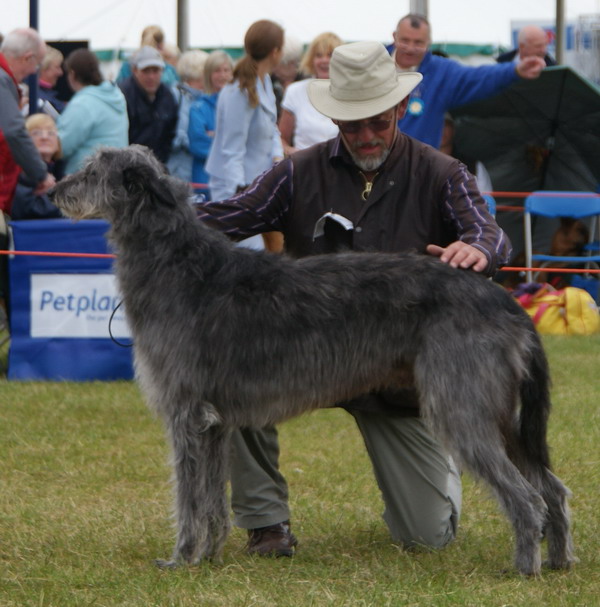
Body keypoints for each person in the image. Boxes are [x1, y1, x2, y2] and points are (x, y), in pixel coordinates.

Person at [195, 41, 511, 556]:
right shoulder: (298, 172)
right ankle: (266, 524)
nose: (365, 136)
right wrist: (152, 214)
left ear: (400, 110)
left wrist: (476, 250)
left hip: (398, 371)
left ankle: (440, 467)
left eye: (377, 122)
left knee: (426, 537)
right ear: (334, 118)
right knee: (227, 382)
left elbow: (489, 232)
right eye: (351, 124)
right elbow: (228, 217)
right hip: (305, 353)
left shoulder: (441, 173)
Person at [389, 14, 545, 148]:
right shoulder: (373, 64)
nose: (410, 48)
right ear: (394, 36)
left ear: (428, 43)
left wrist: (514, 70)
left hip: (418, 172)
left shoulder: (441, 73)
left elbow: (478, 77)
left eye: (418, 43)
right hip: (373, 168)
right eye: (405, 40)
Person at [205, 19, 285, 250]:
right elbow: (232, 151)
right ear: (275, 52)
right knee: (247, 259)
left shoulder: (265, 80)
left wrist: (278, 158)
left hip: (260, 186)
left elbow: (272, 127)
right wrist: (240, 198)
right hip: (236, 189)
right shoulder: (238, 91)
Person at [0, 28, 55, 215]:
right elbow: (14, 131)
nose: (34, 71)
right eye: (37, 64)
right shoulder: (2, 80)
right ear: (27, 58)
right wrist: (41, 175)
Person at [57, 48, 128, 174]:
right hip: (116, 174)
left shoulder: (83, 103)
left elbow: (62, 146)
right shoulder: (116, 96)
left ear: (72, 74)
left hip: (87, 181)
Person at [279, 32, 342, 156]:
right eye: (318, 55)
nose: (324, 60)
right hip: (303, 169)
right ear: (311, 60)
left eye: (330, 55)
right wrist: (294, 154)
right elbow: (281, 139)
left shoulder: (351, 92)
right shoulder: (295, 91)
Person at [119, 46, 178, 165]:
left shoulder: (167, 96)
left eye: (155, 70)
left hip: (157, 166)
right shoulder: (122, 96)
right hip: (128, 166)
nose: (151, 76)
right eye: (146, 71)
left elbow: (170, 134)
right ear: (135, 70)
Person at [188, 50, 234, 198]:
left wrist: (215, 136)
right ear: (208, 74)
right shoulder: (198, 108)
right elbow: (198, 145)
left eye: (226, 70)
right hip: (204, 179)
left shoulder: (238, 108)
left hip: (232, 178)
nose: (223, 75)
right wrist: (230, 145)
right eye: (217, 71)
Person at [166, 50, 208, 181]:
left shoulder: (206, 98)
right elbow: (178, 133)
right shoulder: (176, 95)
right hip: (179, 168)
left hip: (199, 168)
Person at [11, 113, 63, 219]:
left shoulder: (62, 172)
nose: (44, 137)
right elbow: (28, 211)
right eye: (36, 133)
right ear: (24, 142)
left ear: (58, 144)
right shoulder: (16, 173)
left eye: (51, 133)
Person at [38, 46, 66, 114]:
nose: (61, 73)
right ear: (43, 69)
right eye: (57, 67)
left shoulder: (34, 93)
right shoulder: (40, 99)